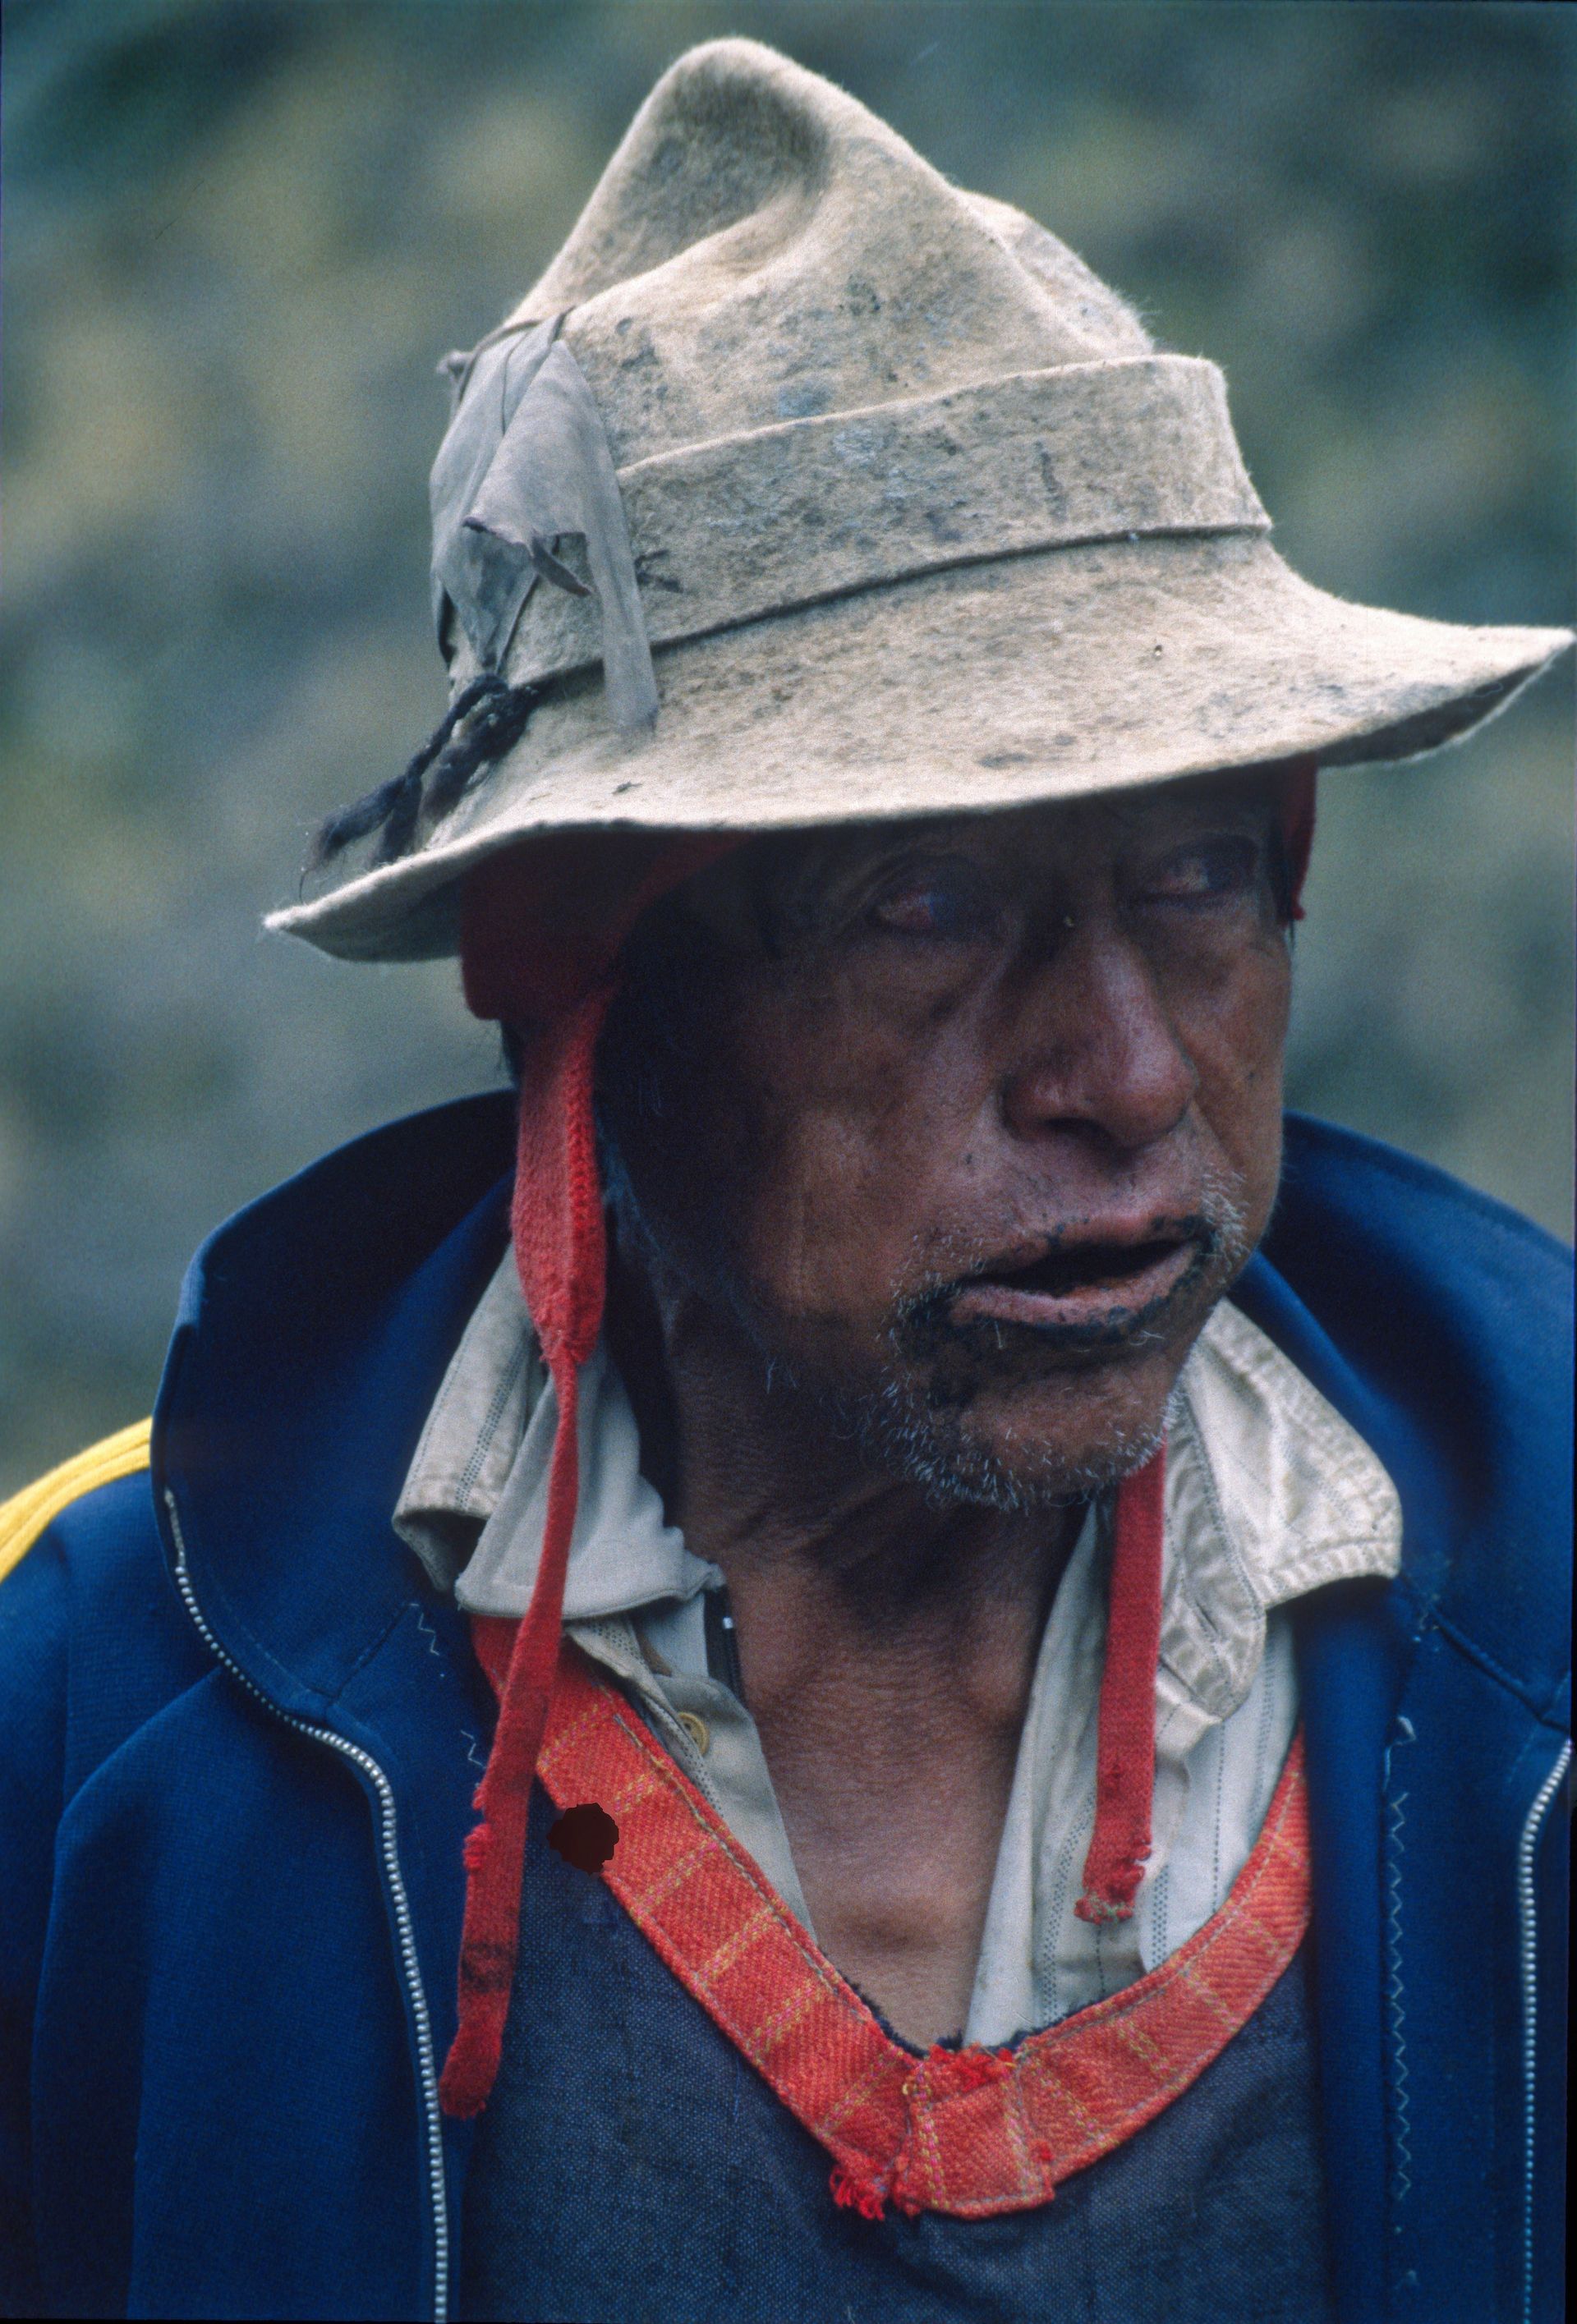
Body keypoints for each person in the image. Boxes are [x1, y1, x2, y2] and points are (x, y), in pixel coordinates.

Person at [1, 39, 1569, 2324]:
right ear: (588, 993)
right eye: (923, 909)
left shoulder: (1535, 1626)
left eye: (1206, 877)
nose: (1130, 1072)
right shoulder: (112, 1693)